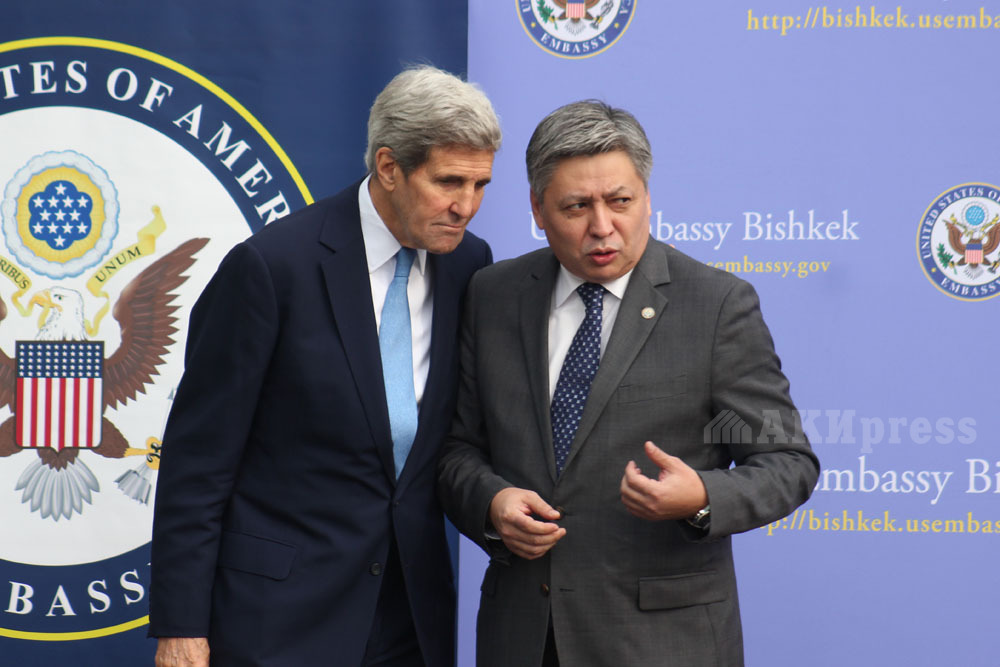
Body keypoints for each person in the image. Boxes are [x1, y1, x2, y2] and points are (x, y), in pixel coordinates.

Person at [438, 100, 819, 667]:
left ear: (647, 197)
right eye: (576, 206)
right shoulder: (492, 295)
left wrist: (702, 498)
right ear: (537, 209)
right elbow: (457, 450)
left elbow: (789, 463)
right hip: (521, 637)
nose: (602, 227)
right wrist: (492, 503)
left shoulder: (716, 305)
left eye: (620, 201)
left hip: (663, 643)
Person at [149, 65, 501, 667]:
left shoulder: (469, 263)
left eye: (480, 185)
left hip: (411, 621)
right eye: (449, 182)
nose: (465, 206)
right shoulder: (271, 268)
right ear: (388, 167)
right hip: (279, 622)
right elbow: (198, 462)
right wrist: (182, 627)